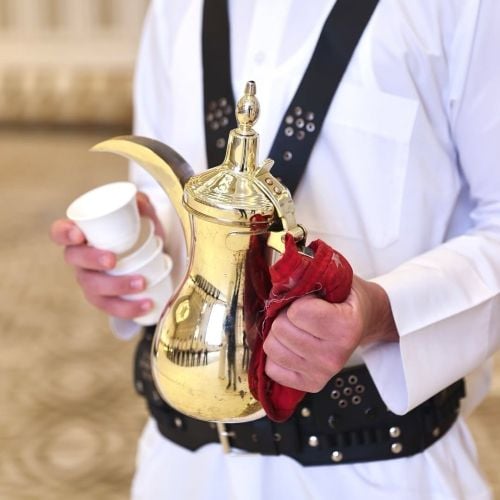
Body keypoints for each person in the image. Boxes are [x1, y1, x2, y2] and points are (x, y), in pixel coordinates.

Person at [50, 0, 500, 498]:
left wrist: (378, 313)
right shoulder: (174, 8)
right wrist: (136, 255)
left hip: (379, 474)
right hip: (181, 468)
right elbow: (159, 198)